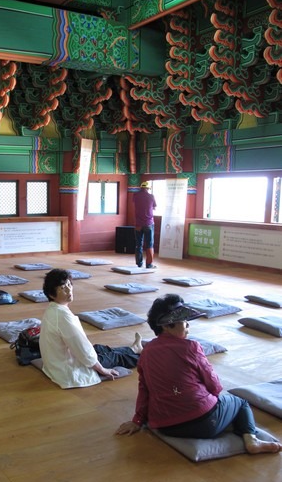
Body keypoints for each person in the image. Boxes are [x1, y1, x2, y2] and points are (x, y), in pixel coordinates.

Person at [116, 293, 281, 455]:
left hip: (165, 426)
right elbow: (215, 386)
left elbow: (144, 389)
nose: (188, 327)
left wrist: (137, 420)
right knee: (240, 403)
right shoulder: (191, 347)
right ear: (166, 325)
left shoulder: (146, 352)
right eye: (184, 323)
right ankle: (252, 441)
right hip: (205, 423)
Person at [39, 269, 143, 389]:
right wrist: (102, 369)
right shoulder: (62, 316)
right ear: (52, 294)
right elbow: (82, 348)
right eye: (62, 288)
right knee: (113, 357)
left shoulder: (53, 309)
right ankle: (145, 357)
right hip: (67, 368)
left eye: (69, 285)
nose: (69, 290)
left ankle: (134, 348)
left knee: (99, 348)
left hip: (56, 363)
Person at [133, 181, 157, 269]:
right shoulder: (151, 196)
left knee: (139, 244)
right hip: (149, 223)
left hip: (138, 224)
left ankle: (139, 263)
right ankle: (149, 264)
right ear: (148, 188)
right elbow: (154, 207)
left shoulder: (135, 196)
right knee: (149, 244)